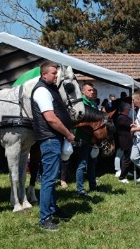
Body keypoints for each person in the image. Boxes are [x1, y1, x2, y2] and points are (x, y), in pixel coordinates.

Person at [31, 61, 75, 231]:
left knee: (51, 178)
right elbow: (50, 118)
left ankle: (52, 209)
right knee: (49, 179)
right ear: (44, 75)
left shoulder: (49, 88)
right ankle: (44, 218)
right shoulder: (42, 91)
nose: (56, 76)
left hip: (53, 139)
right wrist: (68, 134)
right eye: (53, 73)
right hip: (50, 139)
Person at [74, 82, 99, 196]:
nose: (92, 92)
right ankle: (80, 189)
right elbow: (81, 123)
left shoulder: (93, 103)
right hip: (82, 137)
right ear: (82, 91)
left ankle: (93, 186)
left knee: (93, 163)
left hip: (93, 138)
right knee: (82, 164)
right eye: (89, 90)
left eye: (92, 90)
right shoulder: (81, 104)